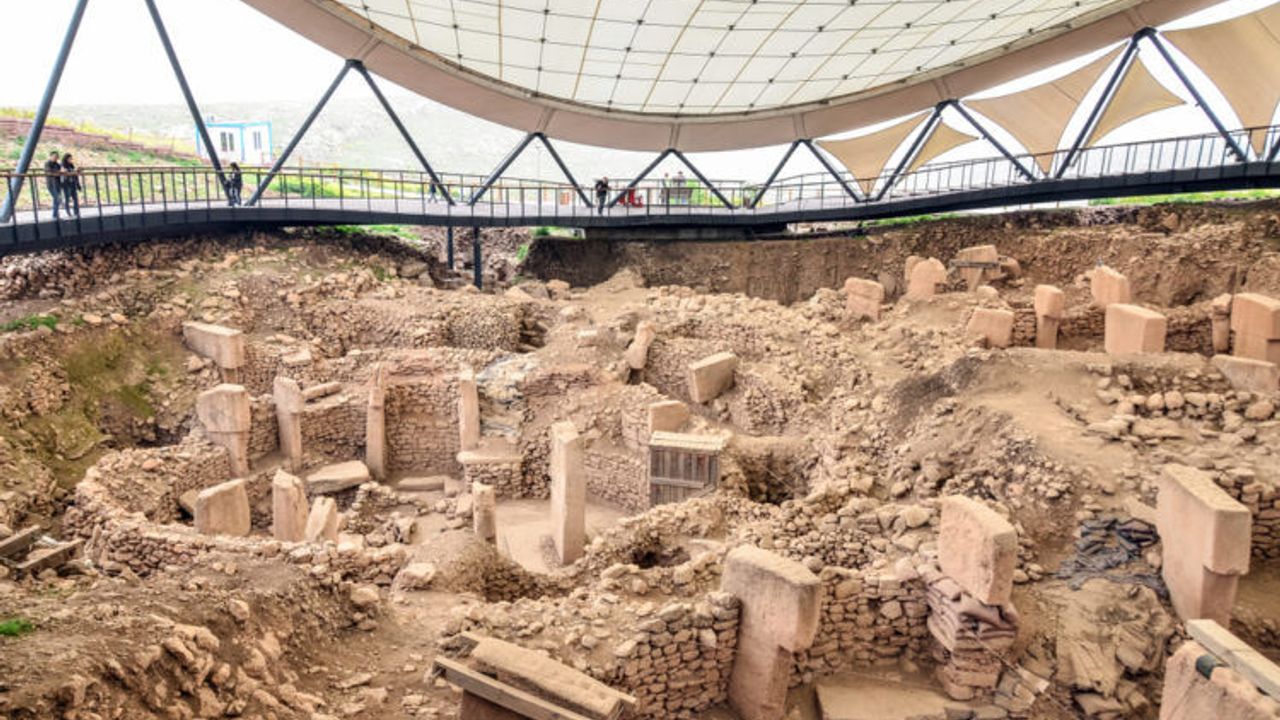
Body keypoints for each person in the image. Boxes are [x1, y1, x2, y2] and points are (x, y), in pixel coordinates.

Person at [60, 153, 82, 218]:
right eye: (70, 159)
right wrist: (74, 172)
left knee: (75, 198)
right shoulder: (62, 165)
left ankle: (76, 212)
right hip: (66, 184)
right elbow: (65, 173)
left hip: (73, 183)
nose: (71, 160)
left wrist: (78, 184)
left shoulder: (71, 165)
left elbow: (75, 175)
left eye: (71, 159)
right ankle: (68, 212)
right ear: (66, 159)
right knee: (67, 198)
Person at [43, 151, 64, 219]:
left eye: (57, 157)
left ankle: (56, 215)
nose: (55, 158)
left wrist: (61, 172)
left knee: (56, 199)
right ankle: (55, 214)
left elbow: (61, 172)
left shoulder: (57, 164)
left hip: (58, 184)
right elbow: (49, 172)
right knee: (57, 198)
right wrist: (58, 172)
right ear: (51, 156)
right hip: (51, 184)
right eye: (54, 156)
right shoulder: (47, 163)